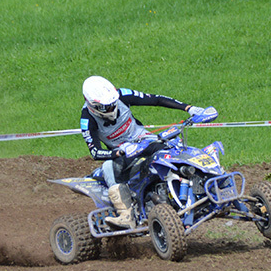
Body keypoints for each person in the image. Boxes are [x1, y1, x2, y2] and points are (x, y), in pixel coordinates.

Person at [80, 75, 212, 229]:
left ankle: (201, 185)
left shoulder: (122, 94)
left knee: (174, 147)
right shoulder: (87, 119)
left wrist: (189, 108)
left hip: (144, 139)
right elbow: (95, 152)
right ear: (92, 105)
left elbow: (155, 99)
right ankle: (126, 215)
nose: (110, 108)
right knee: (108, 167)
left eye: (112, 103)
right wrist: (118, 152)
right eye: (105, 107)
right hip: (123, 153)